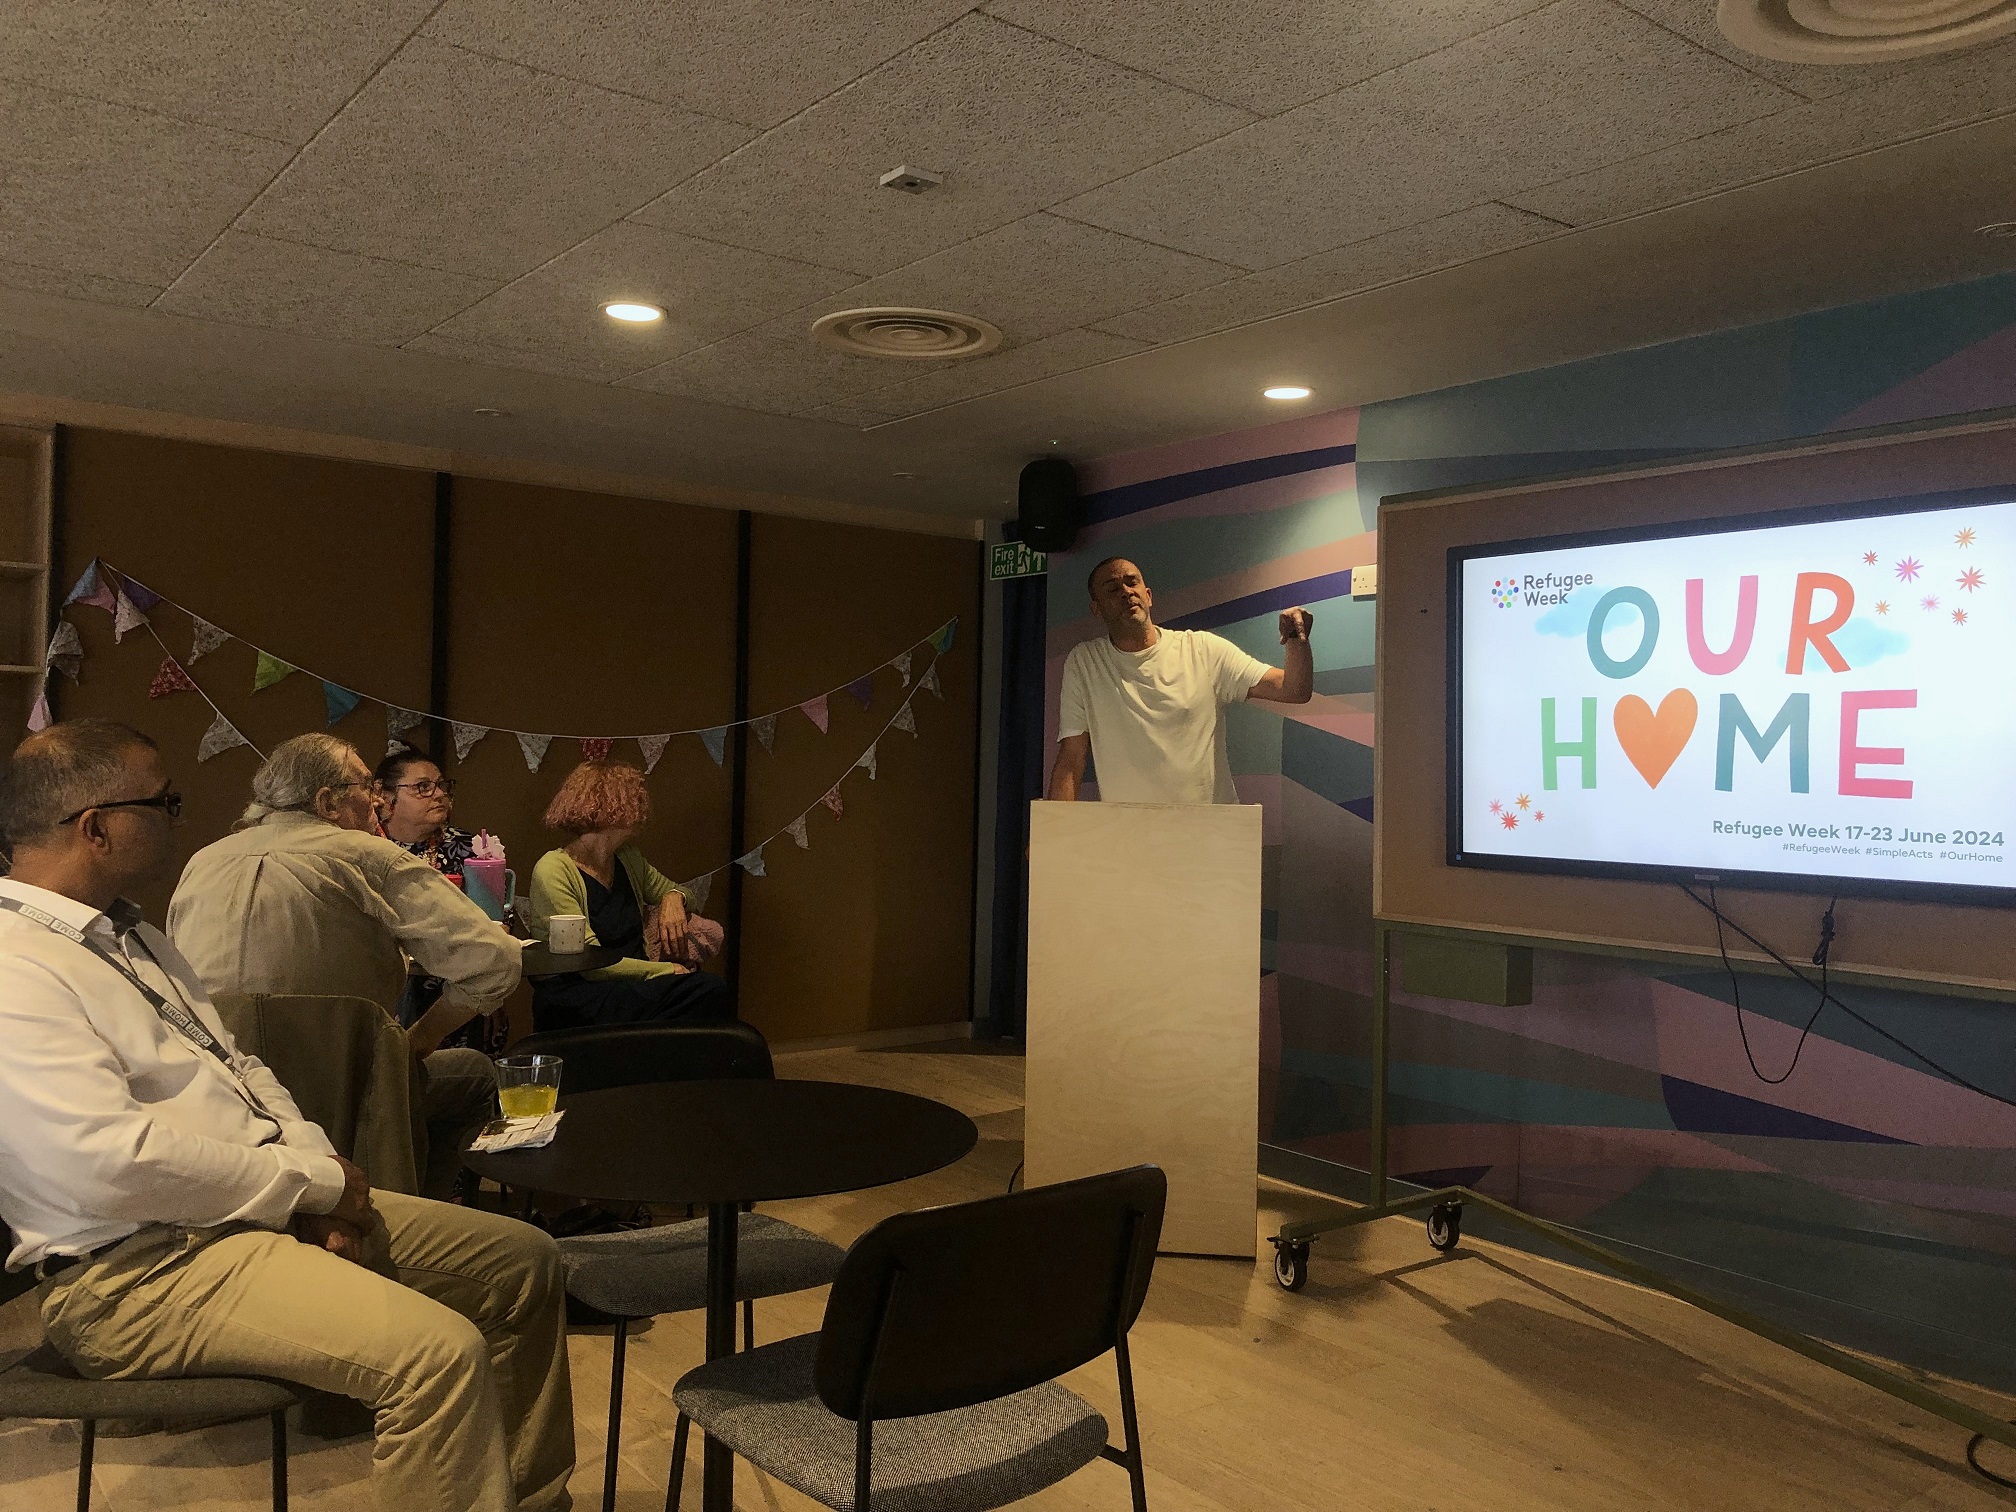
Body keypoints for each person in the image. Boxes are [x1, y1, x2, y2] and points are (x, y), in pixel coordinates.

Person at [0, 720, 574, 1512]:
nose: (180, 816)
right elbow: (104, 1161)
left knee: (524, 1261)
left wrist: (318, 1179)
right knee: (435, 1358)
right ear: (95, 826)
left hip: (237, 1218)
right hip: (131, 1273)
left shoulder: (132, 937)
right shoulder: (15, 961)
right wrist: (305, 1189)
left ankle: (529, 1501)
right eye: (163, 801)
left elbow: (242, 1069)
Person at [168, 733, 521, 1202]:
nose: (377, 802)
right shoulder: (366, 857)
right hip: (342, 1086)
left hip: (217, 1093)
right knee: (475, 1073)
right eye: (367, 788)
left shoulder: (202, 861)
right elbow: (496, 961)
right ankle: (417, 1215)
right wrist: (418, 1041)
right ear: (328, 802)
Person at [1048, 556, 1314, 803]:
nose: (1126, 592)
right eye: (1112, 589)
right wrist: (1051, 837)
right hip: (1131, 836)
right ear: (1097, 609)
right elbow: (1071, 759)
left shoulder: (1202, 650)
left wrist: (1296, 641)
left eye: (1132, 582)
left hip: (1211, 833)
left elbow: (1293, 690)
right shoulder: (1085, 662)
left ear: (1148, 596)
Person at [525, 760, 731, 1032]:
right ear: (612, 808)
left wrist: (672, 898)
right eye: (633, 800)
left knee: (707, 993)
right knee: (707, 990)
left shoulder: (627, 858)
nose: (641, 809)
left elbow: (685, 894)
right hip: (580, 989)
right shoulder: (554, 869)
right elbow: (588, 963)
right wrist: (665, 971)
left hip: (630, 984)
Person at [373, 749, 508, 1056]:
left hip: (458, 989)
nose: (438, 795)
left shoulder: (471, 848)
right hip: (390, 989)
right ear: (383, 794)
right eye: (422, 787)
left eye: (442, 786)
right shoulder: (366, 850)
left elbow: (494, 916)